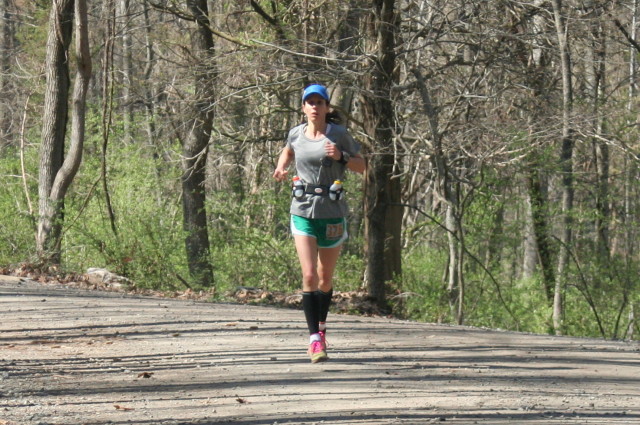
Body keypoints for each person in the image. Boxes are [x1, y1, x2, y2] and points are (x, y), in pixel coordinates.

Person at [273, 84, 366, 363]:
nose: (314, 107)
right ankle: (314, 339)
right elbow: (288, 151)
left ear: (327, 107)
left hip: (332, 212)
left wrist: (341, 157)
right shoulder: (296, 134)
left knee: (325, 279)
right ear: (303, 108)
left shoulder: (339, 135)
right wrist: (281, 167)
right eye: (309, 102)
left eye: (319, 102)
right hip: (301, 209)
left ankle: (322, 328)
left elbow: (362, 166)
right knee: (310, 276)